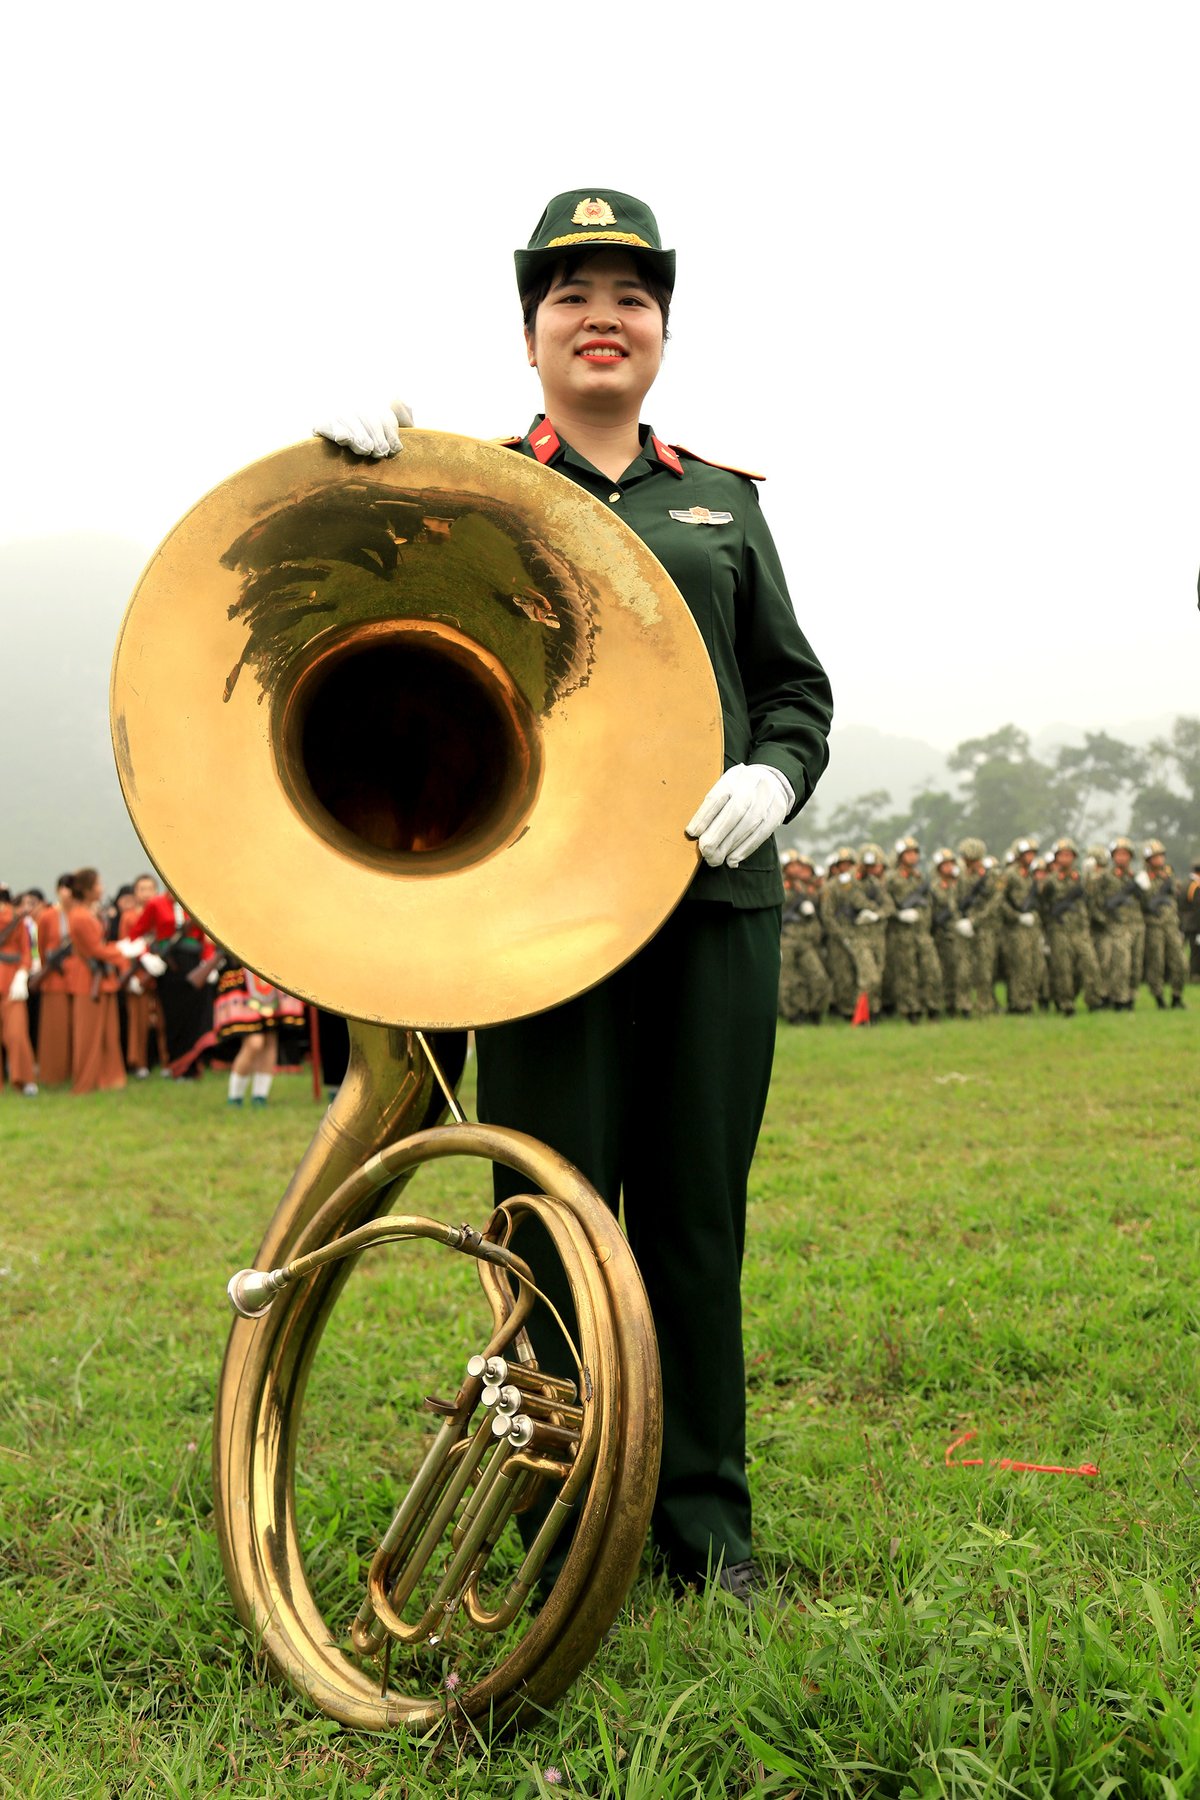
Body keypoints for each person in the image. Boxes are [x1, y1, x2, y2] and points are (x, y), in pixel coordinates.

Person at [315, 188, 833, 1599]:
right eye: (570, 297)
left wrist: (778, 778)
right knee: (547, 1227)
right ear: (533, 337)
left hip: (710, 907)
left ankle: (704, 1532)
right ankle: (557, 1530)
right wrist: (367, 478)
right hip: (534, 919)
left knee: (691, 1225)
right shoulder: (478, 482)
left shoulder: (722, 501)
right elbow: (376, 629)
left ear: (661, 332)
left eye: (632, 297)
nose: (603, 317)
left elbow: (795, 692)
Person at [64, 869, 129, 1094]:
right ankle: (87, 1080)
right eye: (98, 884)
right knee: (89, 1034)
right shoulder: (79, 915)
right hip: (88, 979)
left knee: (109, 1032)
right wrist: (123, 951)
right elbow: (95, 949)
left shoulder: (87, 912)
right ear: (87, 890)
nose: (102, 888)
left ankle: (109, 1078)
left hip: (101, 977)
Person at [214, 963, 305, 1105]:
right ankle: (235, 1097)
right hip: (243, 971)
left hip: (269, 968)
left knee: (270, 1037)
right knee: (254, 1041)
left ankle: (260, 1097)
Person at [1038, 838, 1103, 1015]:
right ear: (1056, 858)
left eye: (1068, 855)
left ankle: (1094, 1001)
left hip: (1080, 930)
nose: (1065, 858)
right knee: (1063, 969)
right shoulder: (1050, 881)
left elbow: (1091, 897)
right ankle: (1066, 1004)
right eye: (1061, 855)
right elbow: (1043, 905)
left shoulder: (1080, 879)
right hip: (1059, 930)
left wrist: (1089, 877)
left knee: (1090, 965)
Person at [886, 837, 942, 1022]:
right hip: (903, 934)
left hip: (922, 933)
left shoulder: (921, 877)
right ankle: (911, 1011)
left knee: (932, 971)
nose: (913, 856)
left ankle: (932, 1008)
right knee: (908, 975)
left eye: (915, 852)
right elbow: (885, 903)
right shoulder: (891, 878)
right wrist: (898, 914)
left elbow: (930, 903)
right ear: (901, 856)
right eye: (909, 852)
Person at [778, 856, 830, 1025]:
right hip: (787, 940)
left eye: (798, 865)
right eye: (792, 866)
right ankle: (793, 1015)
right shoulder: (780, 886)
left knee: (819, 977)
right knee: (789, 980)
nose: (796, 869)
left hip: (805, 941)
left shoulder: (803, 889)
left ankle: (814, 1011)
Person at [1091, 837, 1142, 1011]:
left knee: (1136, 965)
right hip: (1116, 926)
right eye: (1118, 854)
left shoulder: (1135, 877)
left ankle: (1131, 996)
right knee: (1121, 964)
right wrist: (1102, 918)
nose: (1121, 857)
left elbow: (1146, 902)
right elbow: (1093, 899)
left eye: (1125, 854)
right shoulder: (1104, 876)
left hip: (1136, 925)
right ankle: (1119, 999)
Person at [955, 837, 1002, 1014]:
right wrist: (959, 920)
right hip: (963, 929)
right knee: (964, 970)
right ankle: (964, 1006)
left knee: (984, 970)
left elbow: (995, 903)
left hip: (985, 928)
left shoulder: (993, 875)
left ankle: (984, 1006)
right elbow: (953, 899)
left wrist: (974, 921)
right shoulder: (959, 876)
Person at [1138, 839, 1186, 1009]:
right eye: (1154, 857)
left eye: (1160, 856)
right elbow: (1144, 902)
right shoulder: (1142, 877)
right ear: (1147, 859)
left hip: (1171, 925)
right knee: (1156, 964)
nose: (1159, 860)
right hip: (1154, 926)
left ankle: (1177, 997)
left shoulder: (1168, 874)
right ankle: (1159, 999)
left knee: (1180, 962)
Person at [0, 885, 38, 1096]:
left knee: (16, 1032)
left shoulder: (16, 918)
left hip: (10, 978)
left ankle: (24, 1079)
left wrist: (22, 974)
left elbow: (26, 951)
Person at [999, 837, 1042, 1014]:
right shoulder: (1009, 874)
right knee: (1019, 967)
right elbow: (999, 901)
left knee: (1034, 966)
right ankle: (1017, 1004)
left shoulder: (1029, 875)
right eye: (1027, 854)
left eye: (1033, 853)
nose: (1031, 857)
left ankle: (1028, 1001)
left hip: (1031, 929)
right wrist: (1016, 916)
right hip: (1015, 929)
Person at [930, 850, 969, 1015]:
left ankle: (965, 1005)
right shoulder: (935, 887)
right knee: (946, 971)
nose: (949, 867)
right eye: (945, 865)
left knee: (963, 971)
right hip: (943, 935)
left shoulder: (960, 884)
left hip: (960, 933)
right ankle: (950, 1005)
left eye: (951, 864)